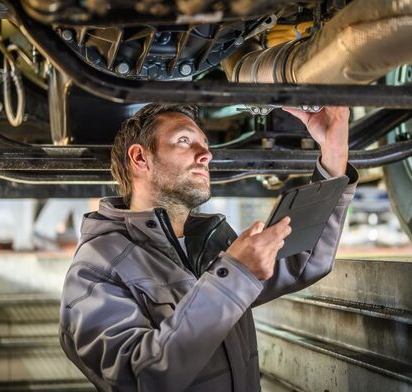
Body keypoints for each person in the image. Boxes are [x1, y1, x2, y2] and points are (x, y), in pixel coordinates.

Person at [59, 104, 359, 391]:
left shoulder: (210, 240)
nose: (206, 154)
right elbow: (138, 377)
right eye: (184, 140)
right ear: (140, 158)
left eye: (204, 143)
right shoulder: (98, 264)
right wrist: (235, 275)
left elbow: (302, 262)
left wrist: (333, 152)